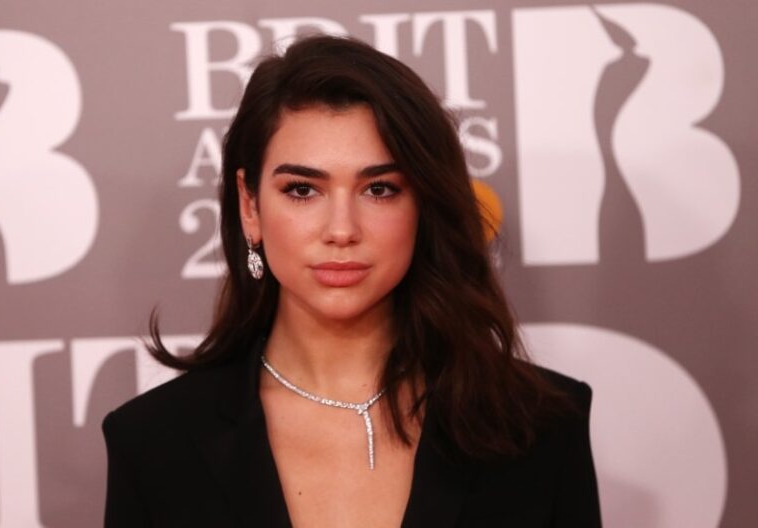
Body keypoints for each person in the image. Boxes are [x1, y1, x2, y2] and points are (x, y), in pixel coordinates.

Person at [102, 35, 601, 527]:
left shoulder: (540, 425)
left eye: (379, 189)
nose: (342, 230)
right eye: (302, 190)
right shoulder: (153, 443)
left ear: (423, 205)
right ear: (250, 206)